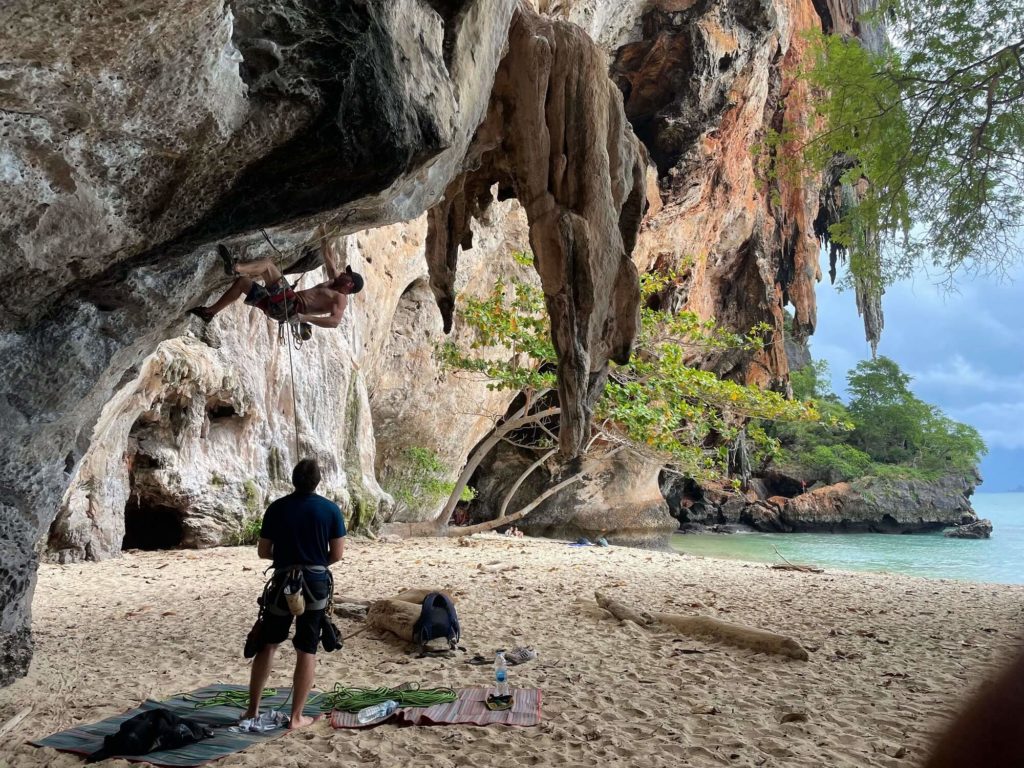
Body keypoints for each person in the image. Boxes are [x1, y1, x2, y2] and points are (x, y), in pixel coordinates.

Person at [244, 458, 346, 730]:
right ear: (317, 481)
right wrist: (312, 560)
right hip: (315, 582)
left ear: (293, 479)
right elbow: (336, 555)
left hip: (282, 583)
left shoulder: (277, 508)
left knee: (268, 644)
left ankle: (252, 710)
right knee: (307, 648)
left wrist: (289, 557)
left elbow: (264, 551)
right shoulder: (330, 510)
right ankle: (296, 717)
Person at [189, 224, 364, 330]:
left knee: (267, 266)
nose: (342, 273)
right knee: (243, 283)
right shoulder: (333, 282)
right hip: (280, 308)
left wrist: (305, 318)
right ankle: (209, 312)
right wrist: (324, 230)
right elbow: (329, 258)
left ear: (349, 284)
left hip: (290, 307)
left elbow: (334, 322)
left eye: (346, 275)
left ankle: (235, 267)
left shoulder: (340, 299)